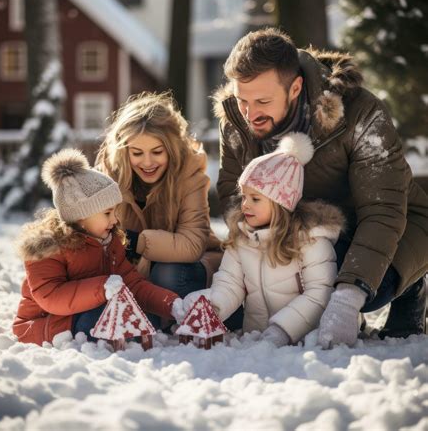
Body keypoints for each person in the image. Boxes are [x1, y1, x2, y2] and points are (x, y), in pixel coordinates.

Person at [213, 27, 428, 347]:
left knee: (356, 287)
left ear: (296, 87)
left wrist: (346, 300)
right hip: (296, 232)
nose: (250, 113)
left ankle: (411, 287)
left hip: (388, 224)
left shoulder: (360, 113)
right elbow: (234, 191)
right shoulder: (237, 117)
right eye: (243, 100)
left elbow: (383, 210)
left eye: (262, 101)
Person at [183, 132, 344, 346]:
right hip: (257, 339)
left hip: (303, 341)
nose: (245, 205)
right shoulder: (242, 237)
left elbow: (319, 295)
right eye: (243, 196)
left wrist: (282, 330)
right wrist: (213, 307)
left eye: (255, 198)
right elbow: (230, 283)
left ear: (281, 202)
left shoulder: (311, 241)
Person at [13, 149, 186, 346]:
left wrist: (169, 303)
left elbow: (132, 284)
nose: (115, 219)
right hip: (49, 322)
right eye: (107, 213)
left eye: (115, 212)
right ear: (81, 215)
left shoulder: (108, 242)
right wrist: (101, 288)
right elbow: (51, 296)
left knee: (144, 318)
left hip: (94, 310)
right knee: (104, 320)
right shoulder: (49, 248)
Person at [95, 92, 232, 330]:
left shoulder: (190, 176)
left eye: (157, 152)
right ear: (124, 151)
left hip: (189, 265)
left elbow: (192, 244)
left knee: (167, 275)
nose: (147, 162)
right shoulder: (109, 176)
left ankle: (172, 315)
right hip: (133, 271)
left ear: (172, 147)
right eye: (137, 153)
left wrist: (135, 241)